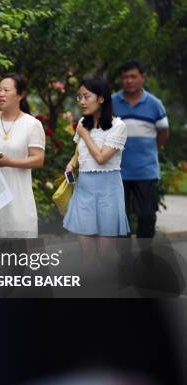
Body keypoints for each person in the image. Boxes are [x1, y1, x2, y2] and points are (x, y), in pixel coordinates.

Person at [0, 73, 45, 238]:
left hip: (17, 200)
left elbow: (38, 159)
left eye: (6, 90)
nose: (1, 94)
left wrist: (9, 162)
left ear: (21, 95)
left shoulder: (32, 124)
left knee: (14, 261)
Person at [63, 77, 129, 255]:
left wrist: (85, 135)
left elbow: (101, 158)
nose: (82, 102)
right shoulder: (83, 124)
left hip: (108, 190)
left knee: (105, 252)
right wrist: (71, 163)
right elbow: (79, 153)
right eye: (79, 97)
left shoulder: (118, 126)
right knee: (86, 252)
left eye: (86, 96)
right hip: (84, 189)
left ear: (101, 98)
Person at [112, 60, 169, 238]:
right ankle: (124, 258)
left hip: (146, 171)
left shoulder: (155, 104)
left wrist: (149, 151)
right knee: (120, 219)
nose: (129, 80)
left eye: (133, 77)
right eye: (125, 77)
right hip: (117, 170)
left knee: (146, 216)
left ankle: (145, 254)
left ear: (142, 78)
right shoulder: (112, 103)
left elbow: (164, 132)